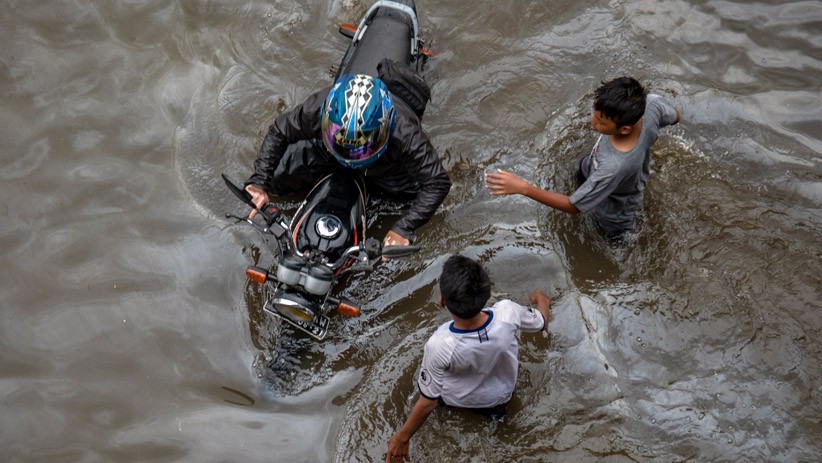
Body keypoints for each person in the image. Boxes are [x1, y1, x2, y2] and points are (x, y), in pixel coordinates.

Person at [244, 68, 451, 248]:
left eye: (359, 145)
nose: (351, 155)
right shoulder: (318, 108)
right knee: (277, 182)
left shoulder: (406, 135)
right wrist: (260, 181)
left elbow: (437, 182)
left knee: (403, 205)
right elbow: (280, 130)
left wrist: (404, 227)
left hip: (387, 168)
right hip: (328, 153)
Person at [385, 254, 551, 462]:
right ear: (488, 292)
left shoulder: (439, 344)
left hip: (455, 402)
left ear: (442, 301)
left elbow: (427, 402)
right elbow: (542, 322)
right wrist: (541, 300)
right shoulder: (508, 313)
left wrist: (402, 437)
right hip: (498, 402)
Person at [485, 76, 681, 239]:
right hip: (595, 166)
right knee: (583, 169)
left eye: (600, 122)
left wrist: (524, 188)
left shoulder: (614, 166)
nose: (592, 122)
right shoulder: (652, 105)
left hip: (614, 211)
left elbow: (574, 206)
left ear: (624, 129)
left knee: (612, 237)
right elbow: (675, 116)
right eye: (594, 114)